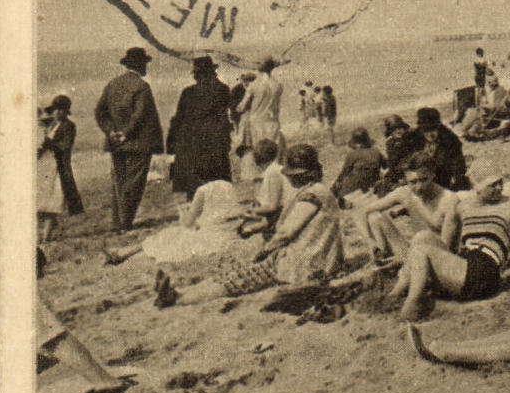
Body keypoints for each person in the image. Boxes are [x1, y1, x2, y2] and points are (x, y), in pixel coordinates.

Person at [155, 144, 343, 307]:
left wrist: (265, 251)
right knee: (241, 274)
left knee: (243, 279)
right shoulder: (317, 191)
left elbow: (286, 233)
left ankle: (180, 299)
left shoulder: (311, 196)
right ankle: (182, 293)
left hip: (304, 263)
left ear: (300, 175)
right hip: (314, 257)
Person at [393, 174, 510, 321]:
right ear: (478, 187)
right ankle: (396, 293)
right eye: (492, 185)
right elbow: (447, 245)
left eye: (500, 182)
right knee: (423, 236)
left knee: (420, 250)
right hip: (464, 264)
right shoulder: (463, 207)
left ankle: (410, 305)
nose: (499, 188)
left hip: (485, 269)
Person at [93, 46, 164, 233]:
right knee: (134, 182)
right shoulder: (142, 87)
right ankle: (125, 223)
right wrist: (126, 133)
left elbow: (100, 112)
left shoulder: (112, 85)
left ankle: (118, 223)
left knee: (119, 181)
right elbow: (139, 115)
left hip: (116, 143)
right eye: (144, 64)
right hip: (138, 143)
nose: (146, 67)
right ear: (140, 65)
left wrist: (111, 132)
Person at [104, 178, 243, 267]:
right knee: (168, 237)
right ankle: (122, 253)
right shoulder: (228, 187)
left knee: (169, 240)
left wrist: (183, 212)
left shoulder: (203, 190)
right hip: (225, 235)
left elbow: (187, 223)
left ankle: (123, 255)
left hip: (209, 238)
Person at [361, 152, 457, 264]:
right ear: (406, 179)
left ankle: (398, 266)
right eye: (413, 182)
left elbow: (446, 251)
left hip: (438, 260)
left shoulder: (448, 200)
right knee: (375, 217)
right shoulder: (405, 193)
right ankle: (383, 259)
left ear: (433, 174)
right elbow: (363, 211)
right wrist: (370, 242)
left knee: (422, 236)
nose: (419, 187)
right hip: (414, 254)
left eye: (423, 179)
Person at [166, 55, 234, 200]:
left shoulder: (188, 92)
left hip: (191, 145)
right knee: (216, 185)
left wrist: (171, 148)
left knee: (195, 189)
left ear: (197, 74)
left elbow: (177, 120)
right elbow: (223, 118)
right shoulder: (222, 89)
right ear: (212, 72)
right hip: (214, 144)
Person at [36, 95, 85, 240]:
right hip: (45, 167)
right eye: (55, 110)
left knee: (53, 202)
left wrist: (48, 143)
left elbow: (65, 146)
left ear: (66, 112)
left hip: (59, 168)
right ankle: (43, 234)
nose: (57, 113)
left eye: (61, 110)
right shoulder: (51, 125)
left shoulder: (69, 126)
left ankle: (46, 236)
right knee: (41, 201)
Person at [236, 57, 285, 174]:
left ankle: (262, 175)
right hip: (273, 121)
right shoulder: (278, 85)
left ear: (259, 69)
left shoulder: (254, 85)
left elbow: (241, 107)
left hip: (257, 121)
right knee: (273, 151)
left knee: (260, 152)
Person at [410, 106, 470, 191]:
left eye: (433, 130)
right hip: (418, 181)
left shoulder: (450, 140)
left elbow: (458, 166)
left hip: (442, 182)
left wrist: (456, 180)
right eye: (426, 131)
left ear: (439, 127)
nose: (430, 134)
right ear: (421, 130)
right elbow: (404, 161)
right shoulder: (413, 139)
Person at [332, 127, 385, 204]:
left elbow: (344, 173)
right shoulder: (376, 152)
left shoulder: (352, 155)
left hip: (354, 187)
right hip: (371, 183)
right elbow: (385, 165)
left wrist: (336, 184)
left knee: (336, 187)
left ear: (356, 143)